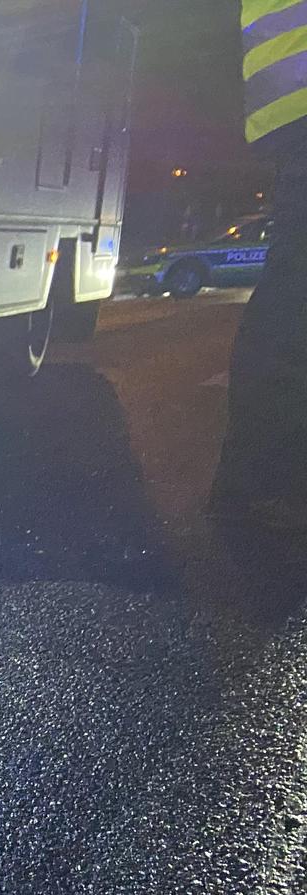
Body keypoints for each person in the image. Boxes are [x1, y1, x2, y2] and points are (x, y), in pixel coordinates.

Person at [216, 2, 307, 529]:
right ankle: (265, 478)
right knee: (292, 295)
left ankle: (253, 475)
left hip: (288, 104)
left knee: (290, 293)